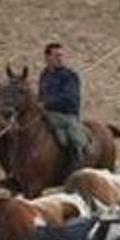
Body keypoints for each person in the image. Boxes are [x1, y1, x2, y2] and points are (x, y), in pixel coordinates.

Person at [38, 42, 87, 177]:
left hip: (66, 115)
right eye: (56, 55)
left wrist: (47, 103)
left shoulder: (69, 75)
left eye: (61, 55)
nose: (60, 58)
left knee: (73, 137)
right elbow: (41, 95)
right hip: (46, 113)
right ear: (47, 57)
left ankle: (76, 165)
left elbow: (70, 99)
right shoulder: (44, 75)